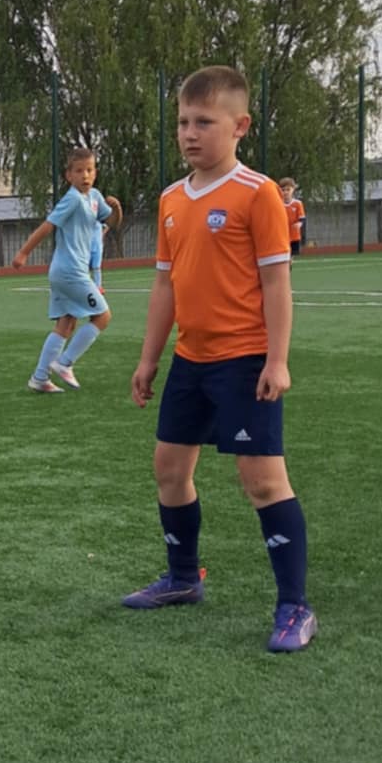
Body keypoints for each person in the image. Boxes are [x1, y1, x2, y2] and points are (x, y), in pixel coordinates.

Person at [124, 65, 316, 653]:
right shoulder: (170, 200)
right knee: (169, 469)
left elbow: (277, 283)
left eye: (204, 122)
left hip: (244, 361)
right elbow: (165, 286)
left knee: (262, 481)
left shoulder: (258, 193)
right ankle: (183, 579)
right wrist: (149, 359)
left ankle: (295, 607)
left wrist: (277, 360)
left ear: (240, 126)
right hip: (191, 360)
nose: (190, 133)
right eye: (183, 122)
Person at [12, 148, 123, 392]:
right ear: (68, 175)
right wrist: (23, 252)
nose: (85, 175)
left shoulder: (94, 196)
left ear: (95, 173)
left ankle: (40, 378)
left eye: (90, 170)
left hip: (64, 272)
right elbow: (47, 226)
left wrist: (116, 209)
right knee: (103, 317)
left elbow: (111, 222)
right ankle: (65, 363)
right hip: (70, 272)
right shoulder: (72, 199)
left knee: (66, 324)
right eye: (79, 171)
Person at [279, 177, 308, 257]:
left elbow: (302, 218)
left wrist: (299, 224)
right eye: (283, 190)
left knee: (291, 256)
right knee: (283, 256)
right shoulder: (278, 203)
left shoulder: (298, 204)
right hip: (282, 235)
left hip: (294, 236)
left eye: (288, 190)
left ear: (293, 189)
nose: (285, 192)